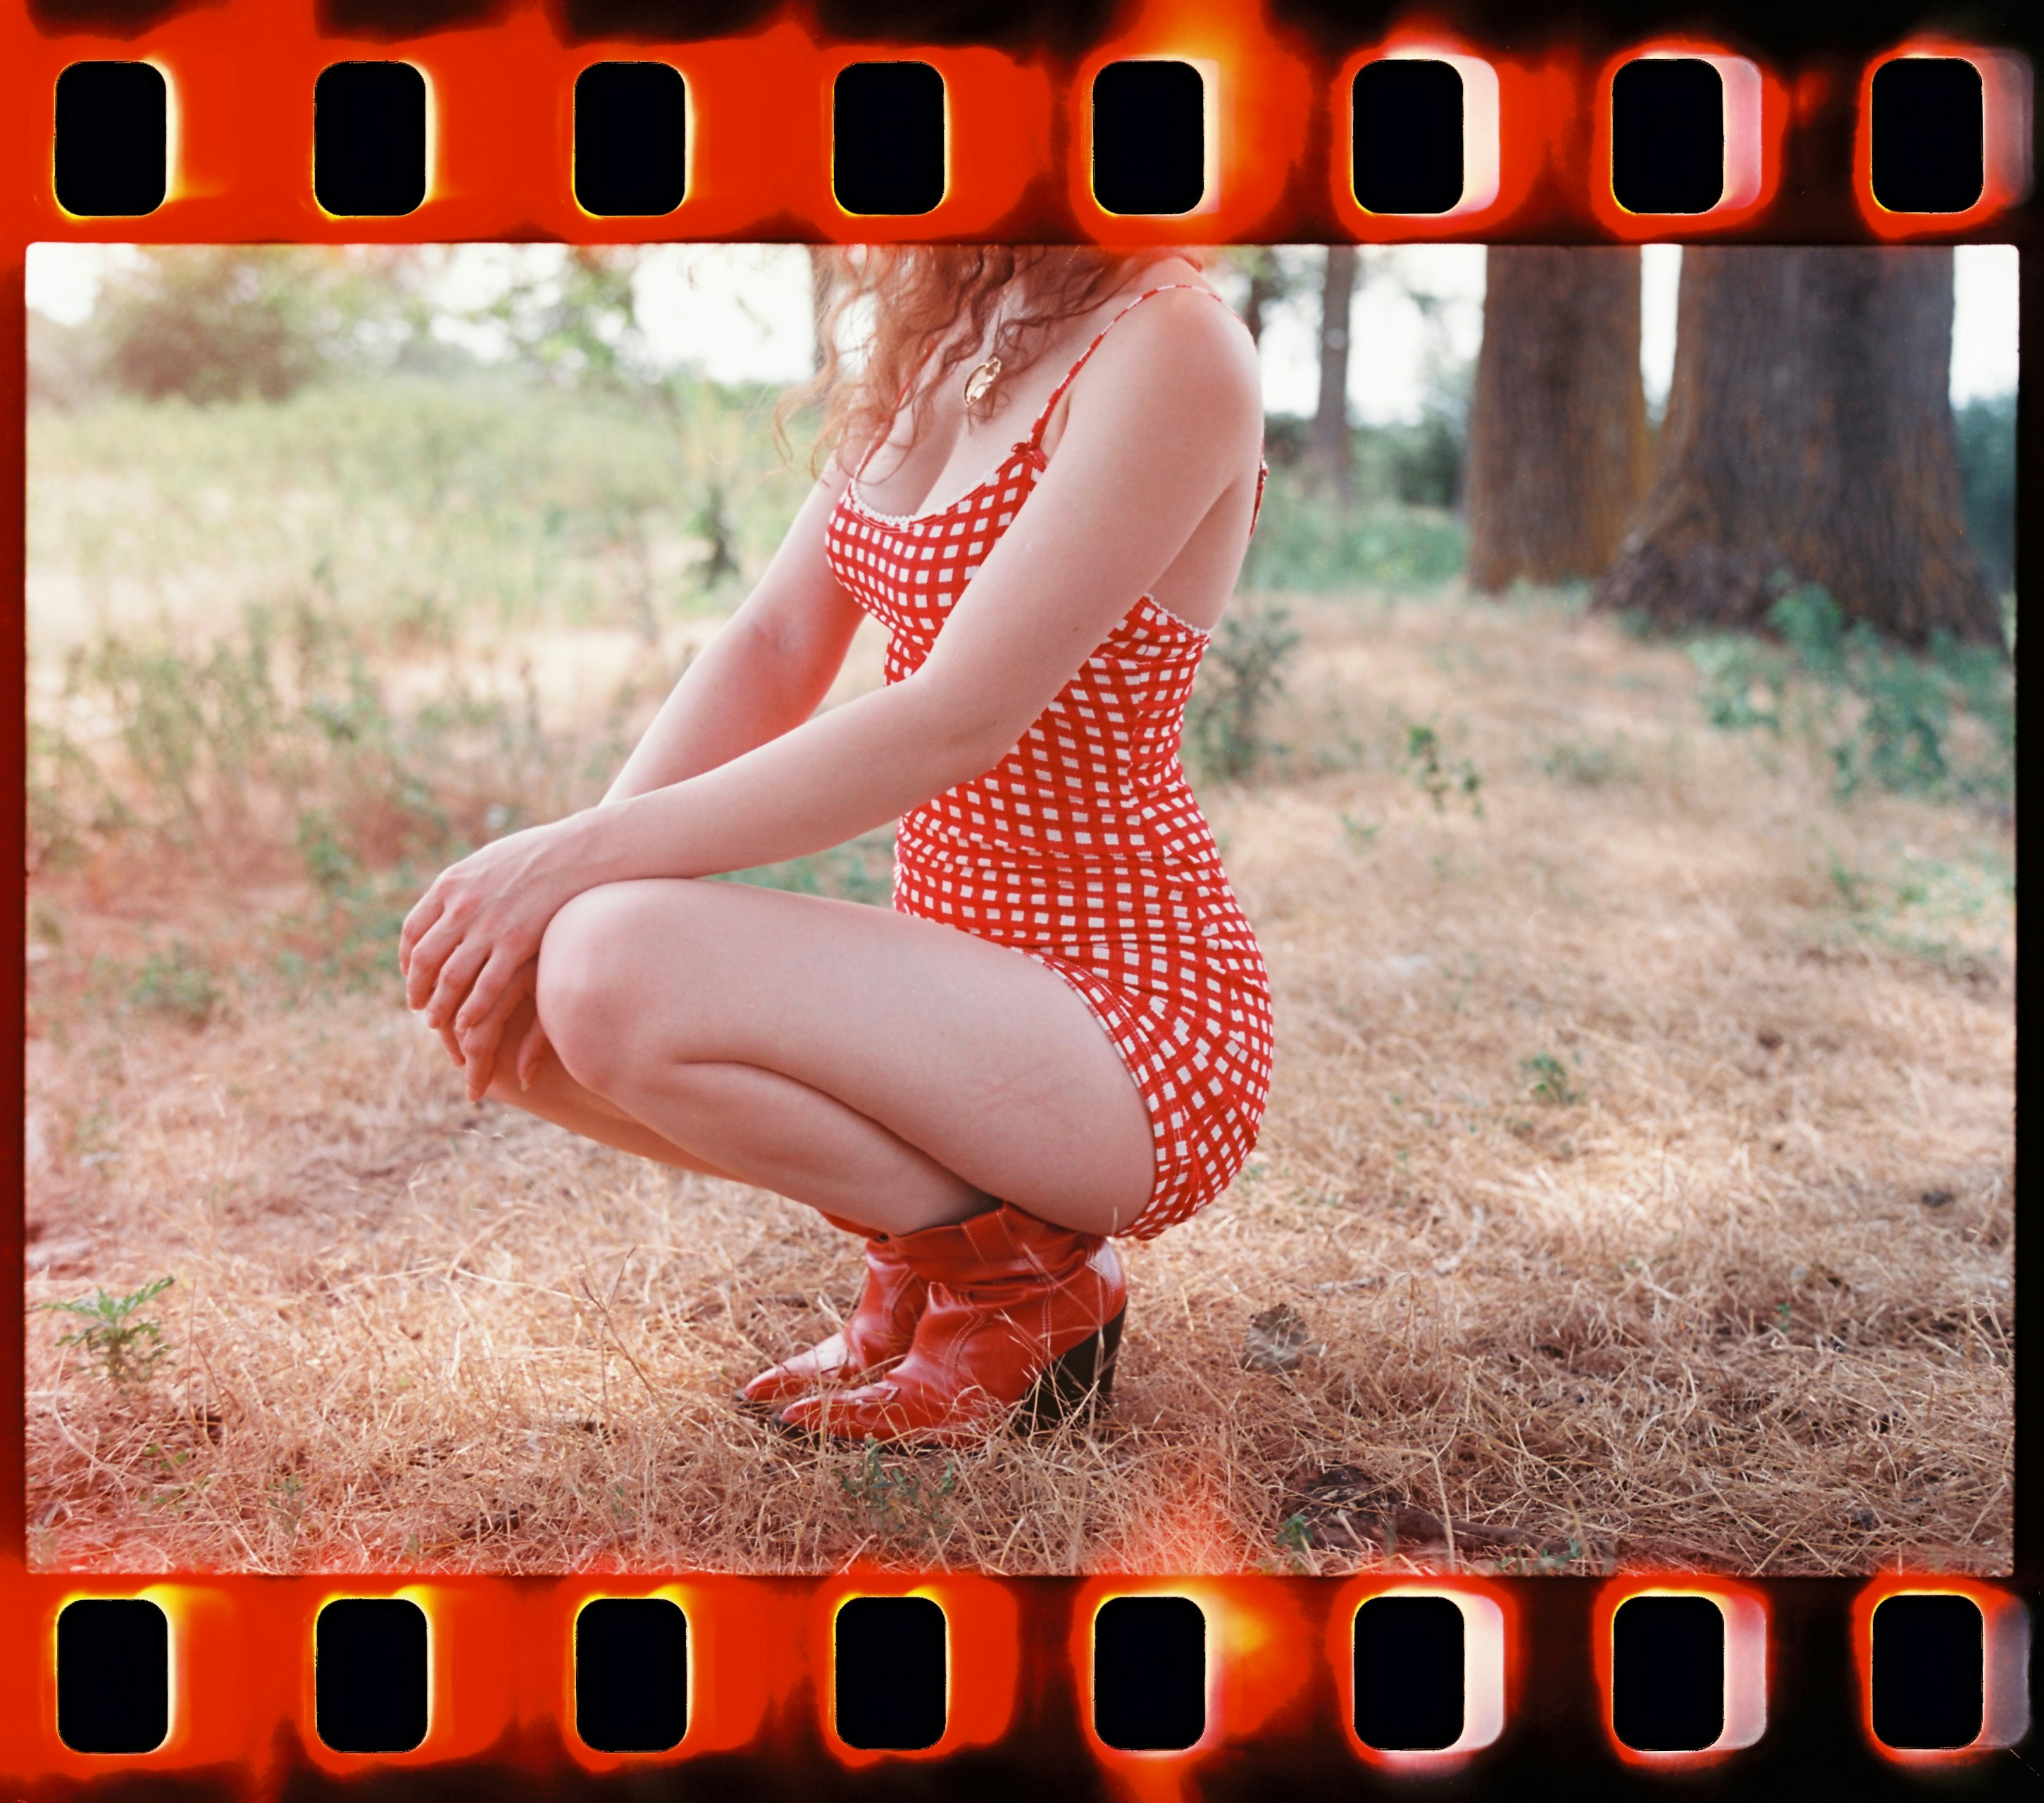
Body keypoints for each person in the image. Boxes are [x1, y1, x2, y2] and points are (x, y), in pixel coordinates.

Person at [398, 245, 1273, 1448]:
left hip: (1127, 1023)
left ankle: (1021, 1292)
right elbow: (772, 642)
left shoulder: (1173, 344)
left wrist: (572, 868)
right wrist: (557, 895)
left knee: (606, 957)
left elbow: (955, 718)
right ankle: (946, 1273)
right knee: (538, 1019)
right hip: (958, 995)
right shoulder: (951, 323)